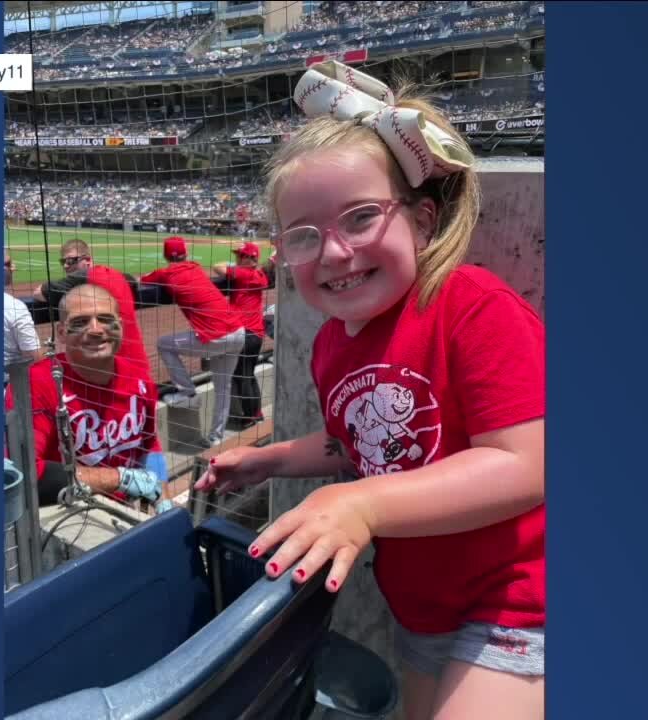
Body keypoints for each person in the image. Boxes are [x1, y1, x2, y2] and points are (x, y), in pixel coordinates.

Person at [195, 62, 545, 720]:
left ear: (421, 218)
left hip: (516, 602)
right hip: (422, 606)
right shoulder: (331, 346)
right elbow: (355, 445)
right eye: (303, 235)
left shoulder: (469, 305)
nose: (333, 251)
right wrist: (267, 459)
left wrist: (361, 506)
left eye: (360, 218)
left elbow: (526, 462)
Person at [11, 283, 171, 513]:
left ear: (121, 326)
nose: (96, 330)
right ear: (62, 332)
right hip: (67, 513)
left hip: (124, 507)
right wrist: (121, 478)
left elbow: (149, 444)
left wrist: (161, 495)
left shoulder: (139, 378)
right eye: (80, 322)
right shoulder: (37, 383)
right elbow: (23, 471)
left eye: (106, 319)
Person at [141, 237, 246, 447]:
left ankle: (187, 392)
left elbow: (144, 280)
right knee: (222, 388)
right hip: (238, 332)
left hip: (216, 337)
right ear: (186, 254)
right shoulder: (196, 268)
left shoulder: (166, 273)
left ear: (165, 256)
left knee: (163, 344)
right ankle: (217, 438)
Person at [32, 239, 151, 378]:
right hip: (136, 361)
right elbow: (133, 281)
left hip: (109, 365)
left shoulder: (80, 278)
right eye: (62, 262)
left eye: (71, 261)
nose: (65, 266)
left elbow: (38, 293)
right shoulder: (119, 276)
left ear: (87, 260)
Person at [211, 242, 269, 429]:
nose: (237, 258)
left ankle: (249, 416)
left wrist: (236, 267)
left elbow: (217, 267)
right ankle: (256, 412)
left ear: (248, 258)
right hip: (255, 333)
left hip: (245, 332)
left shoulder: (244, 273)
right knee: (248, 374)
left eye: (240, 256)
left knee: (242, 376)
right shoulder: (258, 274)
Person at [4, 250, 42, 371]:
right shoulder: (15, 307)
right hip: (9, 384)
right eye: (9, 264)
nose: (13, 268)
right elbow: (34, 356)